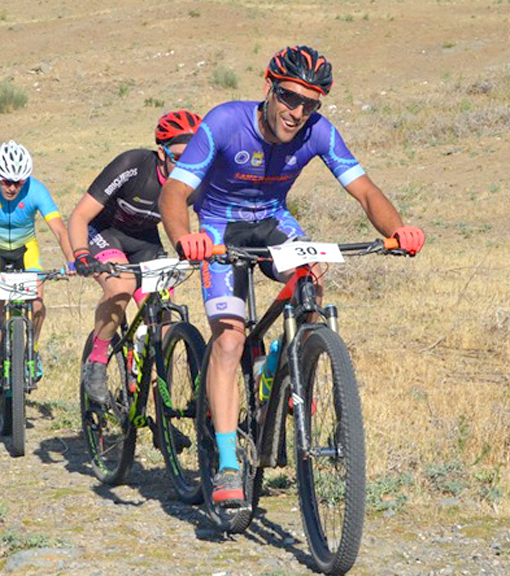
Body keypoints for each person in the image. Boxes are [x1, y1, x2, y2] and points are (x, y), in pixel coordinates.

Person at [159, 45, 426, 507]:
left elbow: (363, 191)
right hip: (221, 227)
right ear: (269, 88)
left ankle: (284, 367)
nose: (297, 111)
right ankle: (226, 462)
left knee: (311, 276)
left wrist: (397, 229)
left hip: (273, 220)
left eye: (310, 103)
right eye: (288, 97)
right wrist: (186, 238)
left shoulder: (319, 133)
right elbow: (175, 193)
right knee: (228, 339)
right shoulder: (224, 122)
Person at [67, 110, 202, 406]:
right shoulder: (133, 166)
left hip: (144, 242)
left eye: (193, 159)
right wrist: (80, 255)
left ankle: (160, 416)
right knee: (121, 287)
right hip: (105, 231)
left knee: (162, 321)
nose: (186, 167)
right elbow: (79, 215)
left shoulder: (194, 180)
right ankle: (97, 361)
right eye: (178, 158)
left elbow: (209, 222)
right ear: (161, 153)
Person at [0, 141, 75, 406]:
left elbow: (59, 229)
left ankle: (32, 352)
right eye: (7, 181)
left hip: (25, 250)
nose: (12, 188)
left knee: (39, 305)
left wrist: (72, 259)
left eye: (19, 182)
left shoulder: (37, 189)